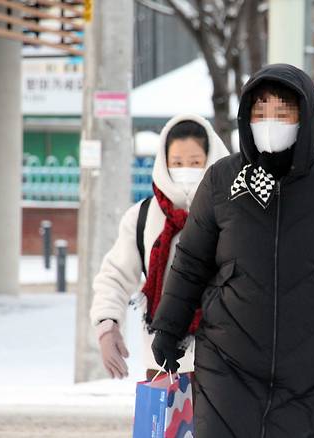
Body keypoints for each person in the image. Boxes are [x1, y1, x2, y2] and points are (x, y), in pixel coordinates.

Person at [149, 64, 314, 437]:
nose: (270, 120)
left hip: (313, 366)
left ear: (306, 116)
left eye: (283, 111)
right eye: (261, 110)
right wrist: (169, 328)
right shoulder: (224, 179)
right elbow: (191, 261)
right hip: (227, 361)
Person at [89, 114, 229, 381]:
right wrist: (107, 325)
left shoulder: (232, 214)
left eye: (195, 163)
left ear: (211, 162)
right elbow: (114, 276)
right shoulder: (142, 217)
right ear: (163, 164)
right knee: (165, 425)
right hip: (164, 364)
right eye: (176, 163)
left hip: (226, 365)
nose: (185, 170)